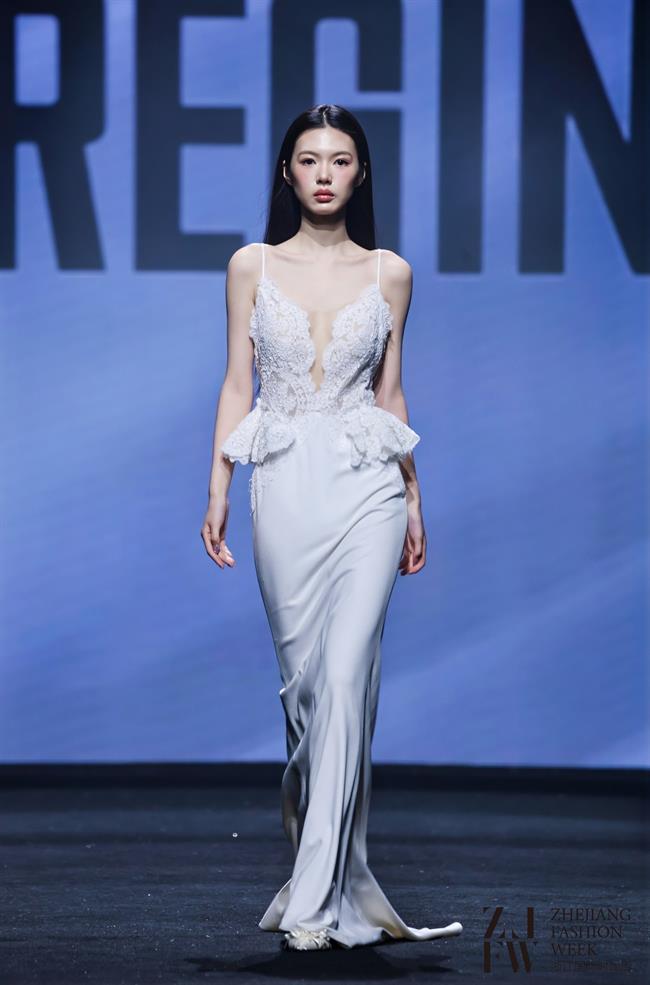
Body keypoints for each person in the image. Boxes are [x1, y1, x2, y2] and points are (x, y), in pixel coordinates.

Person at [201, 104, 463, 951]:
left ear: (360, 173)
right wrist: (219, 482)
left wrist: (413, 498)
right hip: (282, 479)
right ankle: (333, 875)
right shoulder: (251, 265)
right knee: (306, 695)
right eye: (309, 159)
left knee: (347, 677)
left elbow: (391, 394)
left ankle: (312, 906)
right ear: (287, 172)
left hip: (366, 485)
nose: (324, 173)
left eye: (340, 159)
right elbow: (237, 383)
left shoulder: (392, 273)